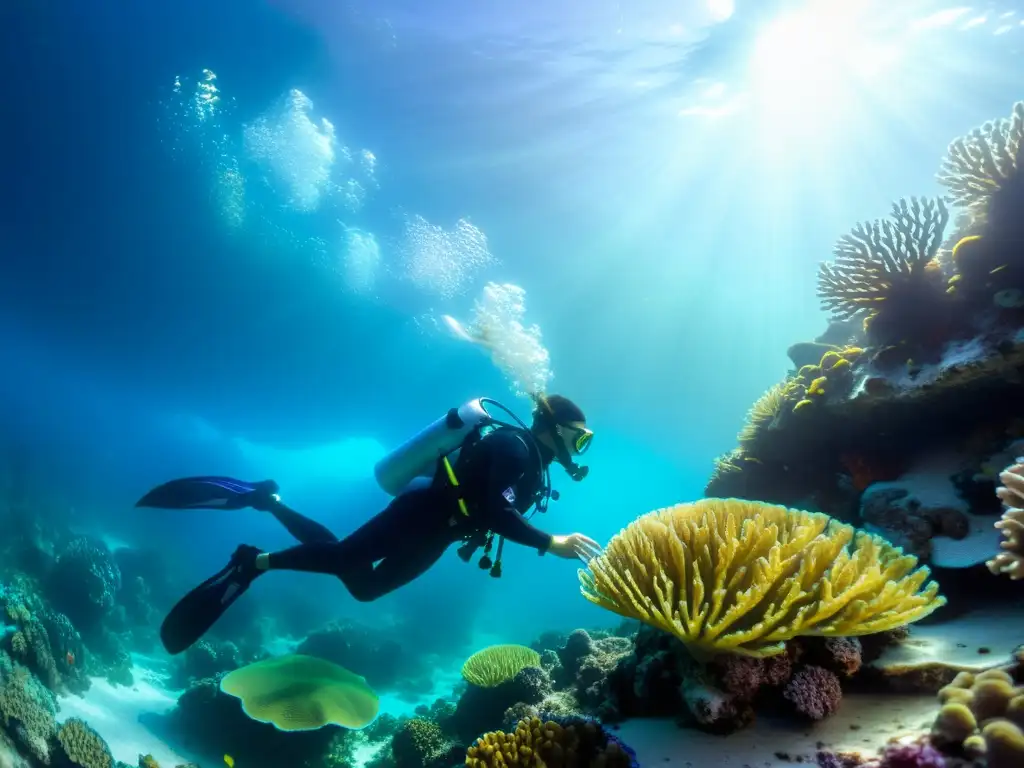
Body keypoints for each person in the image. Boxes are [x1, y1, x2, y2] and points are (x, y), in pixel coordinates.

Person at [137, 394, 602, 654]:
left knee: (365, 587)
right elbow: (496, 512)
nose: (578, 452)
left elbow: (494, 510)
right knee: (343, 557)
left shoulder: (531, 464)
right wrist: (549, 542)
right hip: (421, 512)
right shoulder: (515, 448)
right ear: (556, 429)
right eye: (579, 441)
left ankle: (269, 500)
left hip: (440, 532)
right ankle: (253, 564)